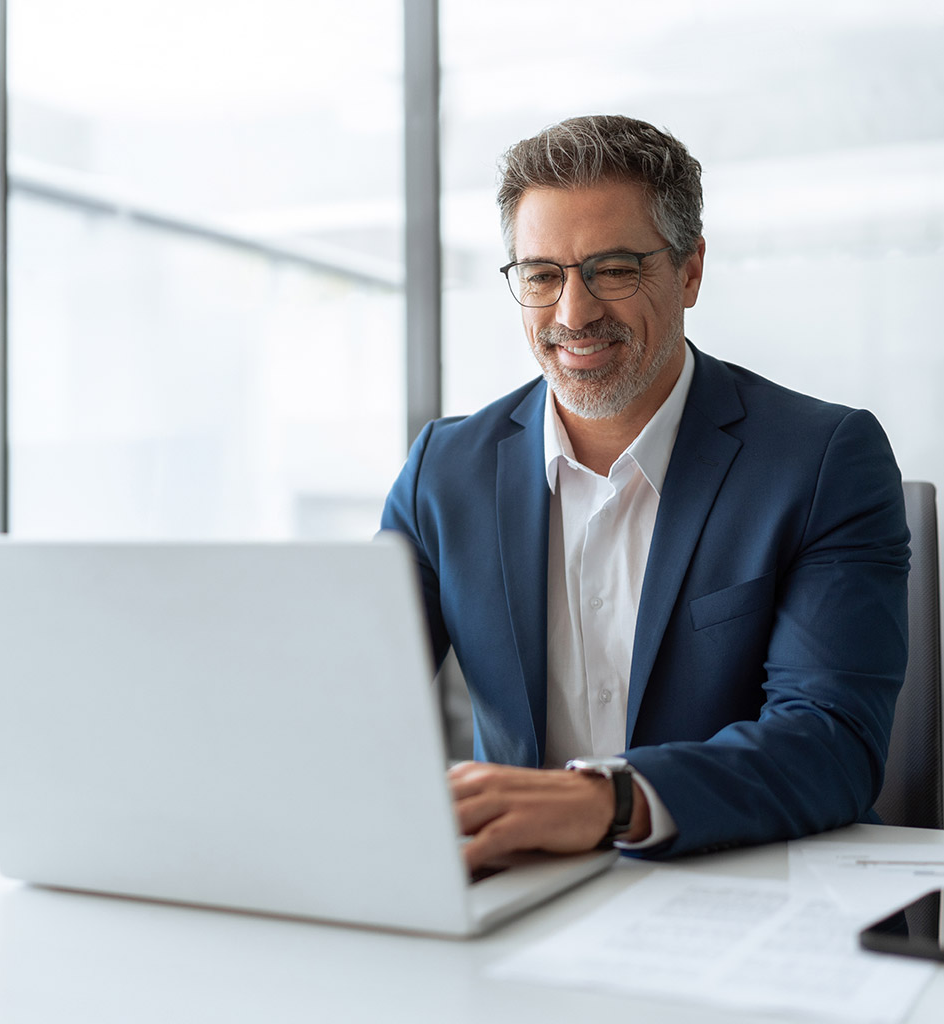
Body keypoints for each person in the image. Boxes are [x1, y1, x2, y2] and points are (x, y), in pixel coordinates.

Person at [380, 115, 910, 870]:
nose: (574, 314)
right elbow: (351, 698)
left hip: (748, 879)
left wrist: (610, 801)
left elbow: (832, 743)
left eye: (614, 269)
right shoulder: (444, 469)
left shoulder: (824, 460)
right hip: (520, 889)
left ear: (690, 271)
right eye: (542, 276)